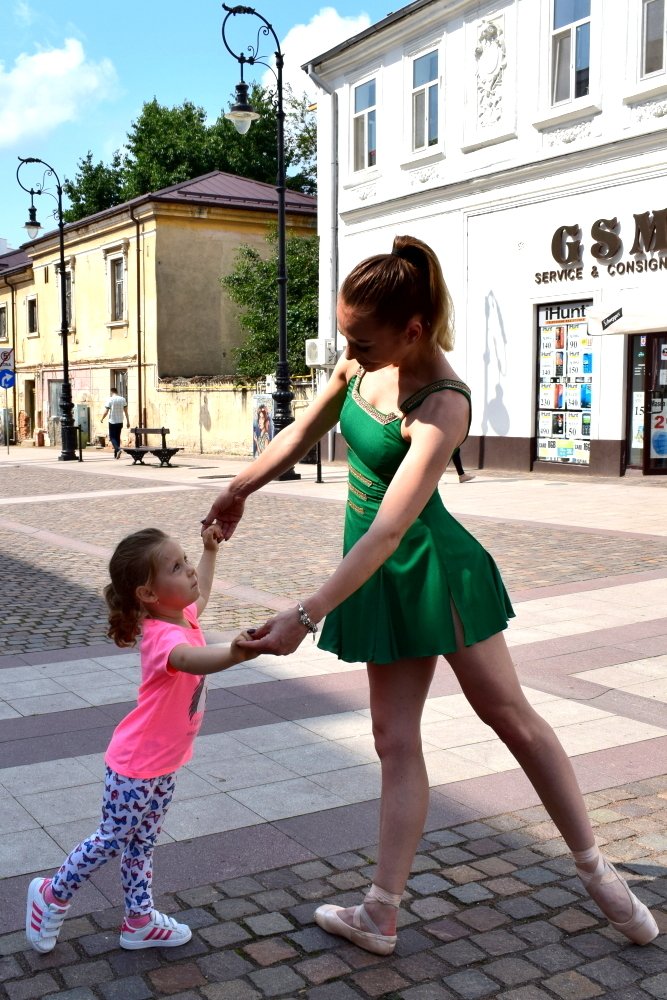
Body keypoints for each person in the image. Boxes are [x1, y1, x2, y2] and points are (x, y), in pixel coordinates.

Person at [201, 234, 659, 955]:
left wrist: (303, 615)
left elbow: (388, 530)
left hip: (432, 572)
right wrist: (237, 488)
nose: (348, 348)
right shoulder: (360, 359)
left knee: (507, 715)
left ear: (411, 330)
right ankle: (380, 913)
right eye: (346, 334)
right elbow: (300, 430)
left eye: (361, 336)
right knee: (392, 740)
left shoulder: (442, 402)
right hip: (375, 578)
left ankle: (595, 870)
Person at [26, 525, 258, 955]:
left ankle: (139, 921)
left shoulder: (182, 615)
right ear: (149, 595)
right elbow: (193, 658)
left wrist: (209, 551)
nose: (189, 570)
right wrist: (237, 652)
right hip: (135, 765)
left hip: (162, 763)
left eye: (185, 560)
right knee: (112, 839)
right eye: (177, 566)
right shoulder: (162, 637)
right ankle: (51, 894)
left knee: (141, 843)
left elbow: (200, 593)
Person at [101, 386, 130, 458]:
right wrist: (128, 421)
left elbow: (106, 412)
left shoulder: (110, 400)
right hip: (120, 421)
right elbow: (126, 411)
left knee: (112, 437)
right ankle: (116, 454)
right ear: (117, 392)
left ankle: (118, 449)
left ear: (112, 392)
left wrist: (102, 418)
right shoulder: (122, 399)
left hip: (112, 421)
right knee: (117, 437)